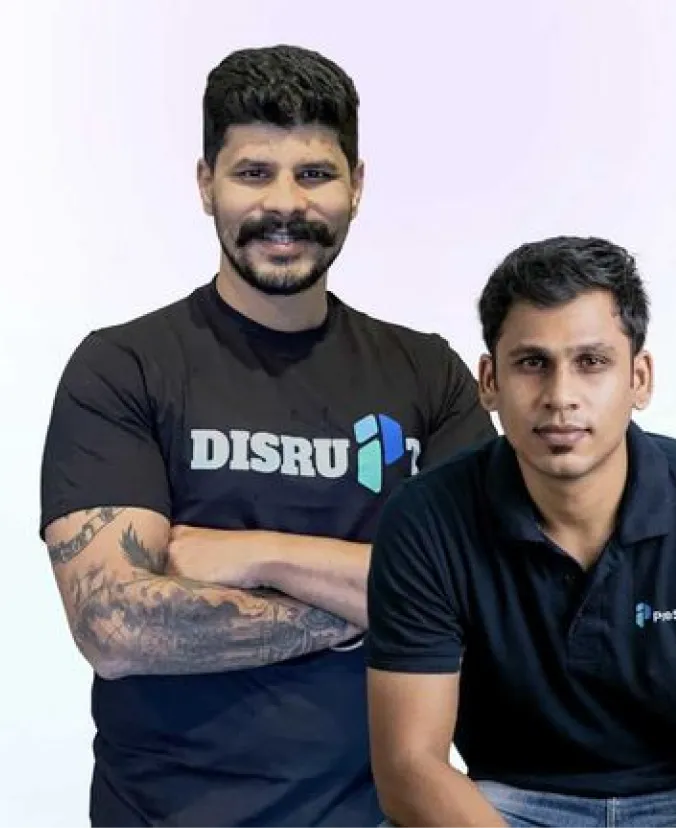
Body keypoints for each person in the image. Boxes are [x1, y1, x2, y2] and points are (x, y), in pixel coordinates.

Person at [39, 44, 495, 828]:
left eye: (315, 173)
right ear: (205, 183)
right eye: (253, 172)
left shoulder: (427, 375)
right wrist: (392, 606)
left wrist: (261, 555)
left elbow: (493, 598)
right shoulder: (125, 366)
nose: (285, 203)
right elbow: (115, 627)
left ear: (357, 185)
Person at [365, 236, 676, 827]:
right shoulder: (425, 519)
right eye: (532, 363)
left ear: (639, 379)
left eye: (591, 362)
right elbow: (410, 766)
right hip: (510, 804)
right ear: (489, 380)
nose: (560, 397)